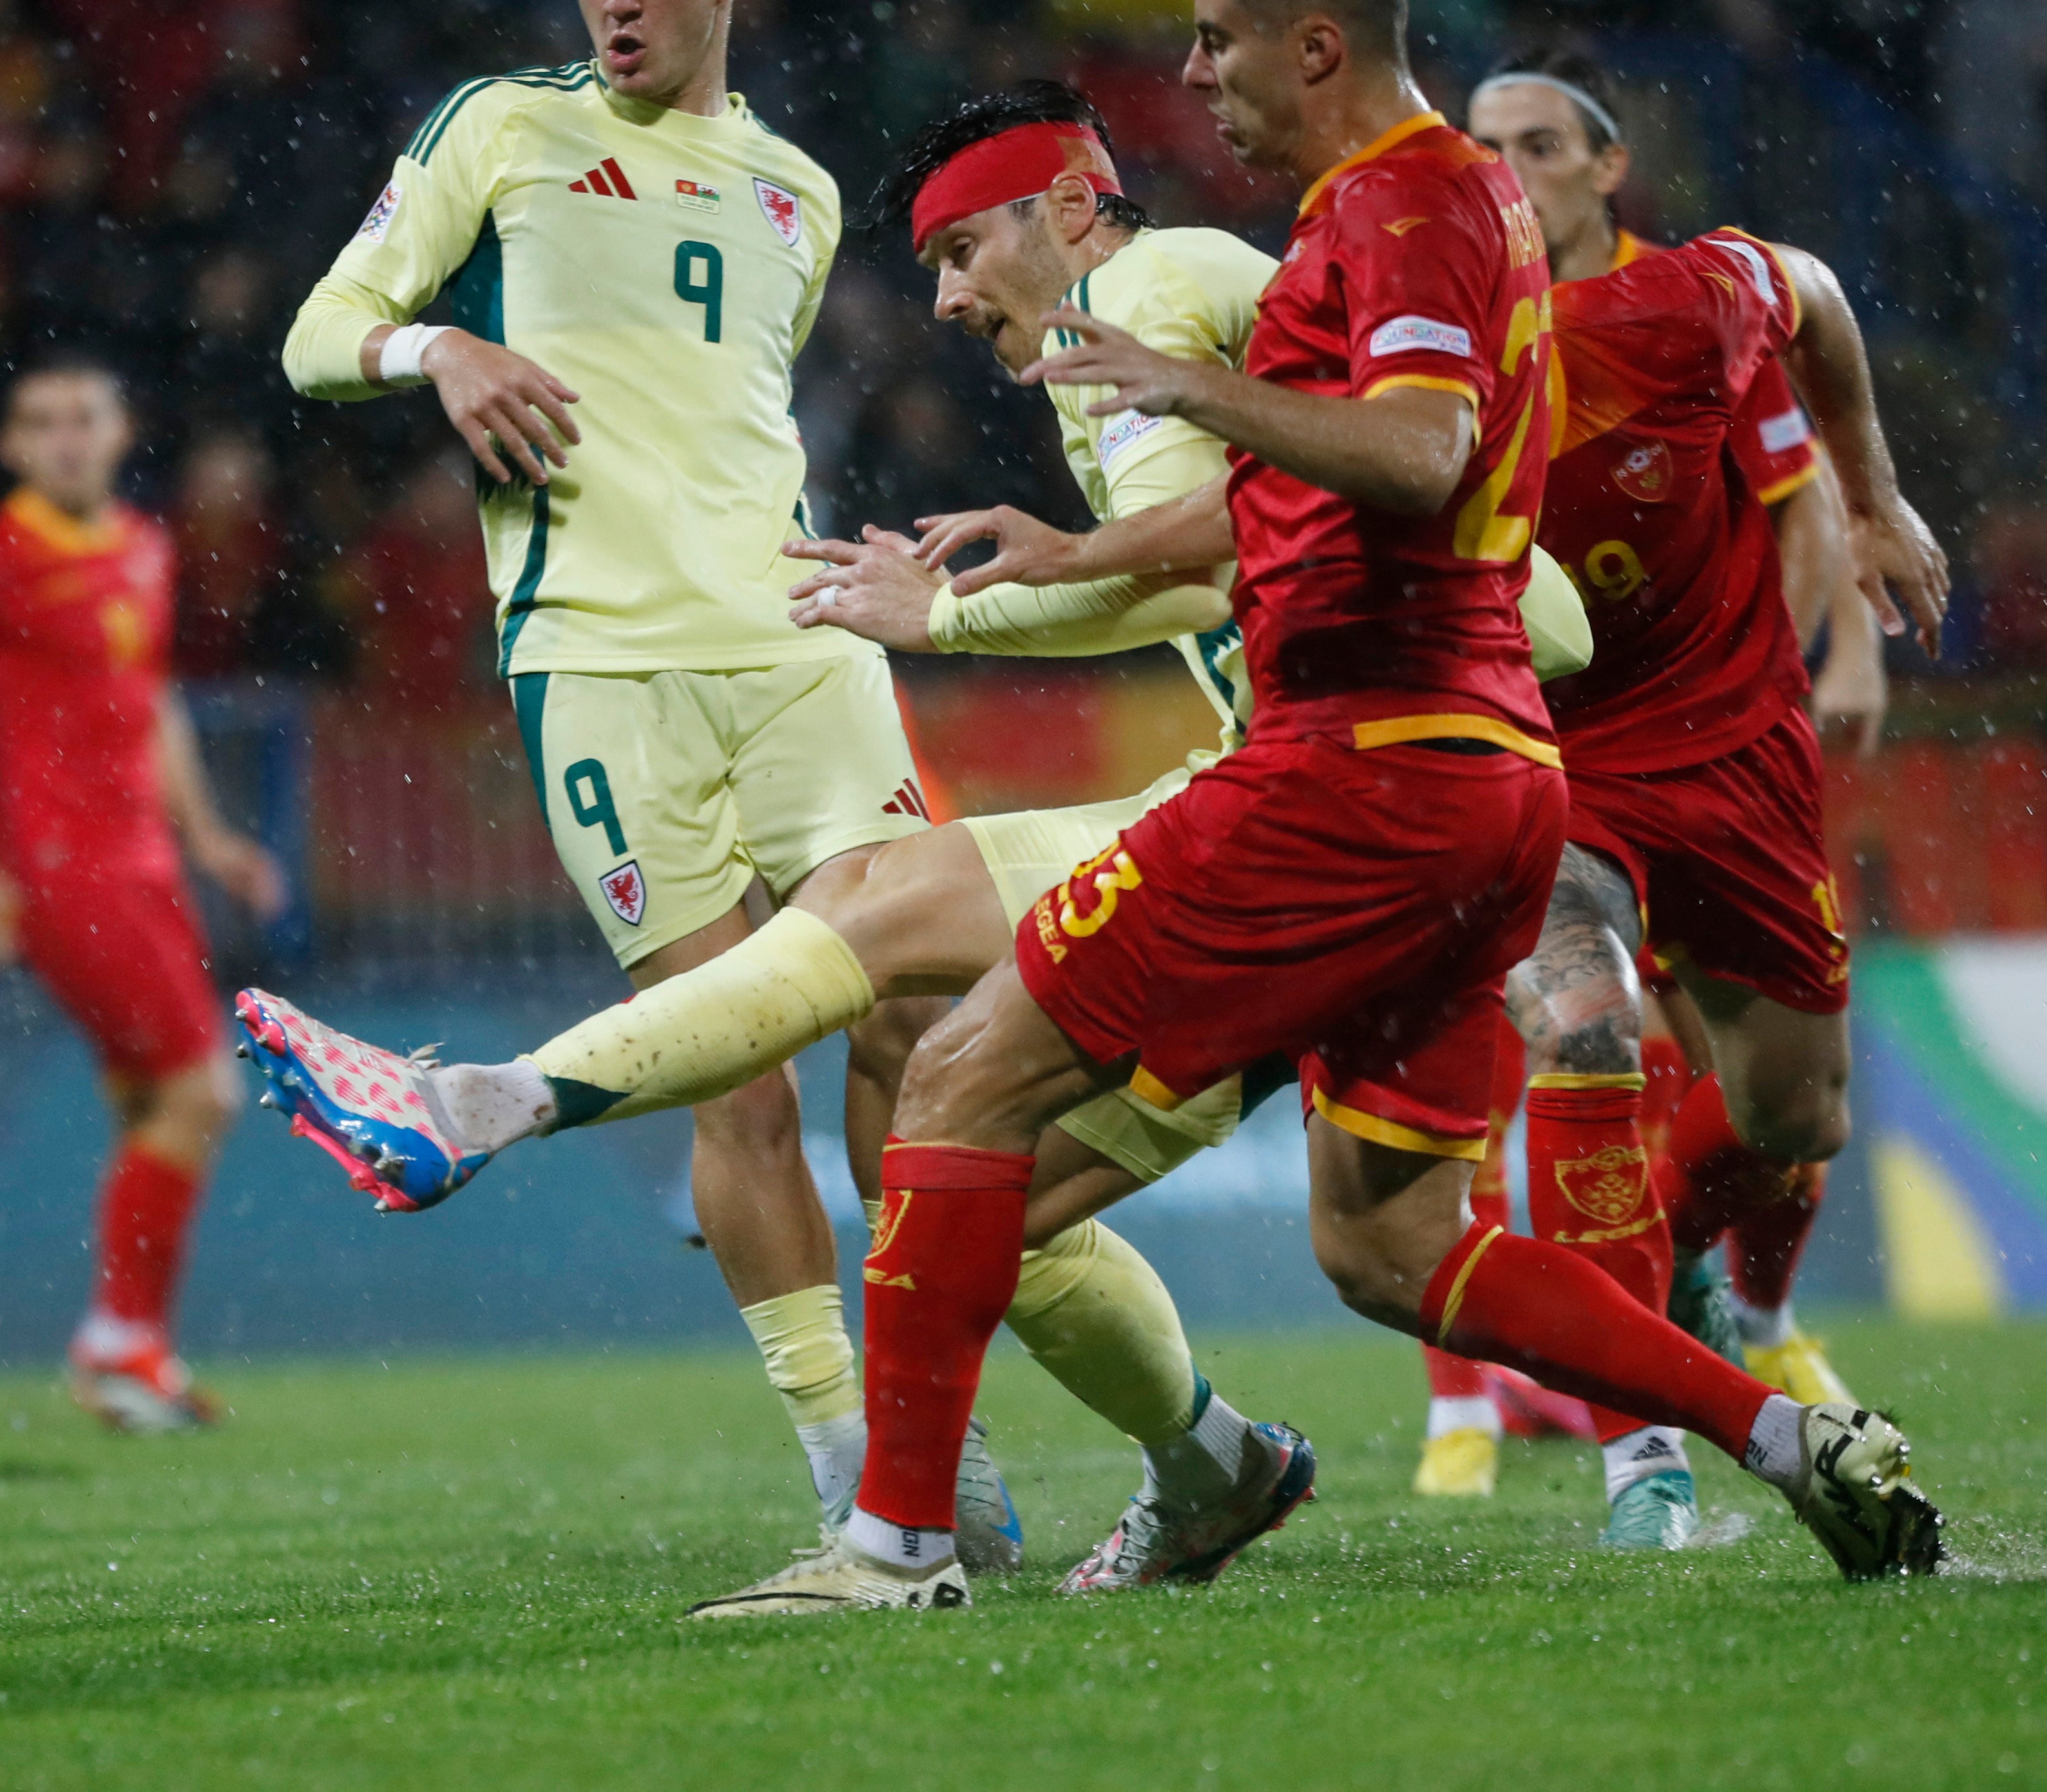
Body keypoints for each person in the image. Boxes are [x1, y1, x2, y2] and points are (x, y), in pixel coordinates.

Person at [693, 0, 1941, 1614]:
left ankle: (893, 1549)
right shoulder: (1437, 211)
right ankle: (1785, 1439)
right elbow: (1316, 495)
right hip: (1490, 775)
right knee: (1392, 1245)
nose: (1194, 71)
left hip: (1359, 756)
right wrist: (1062, 560)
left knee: (955, 1077)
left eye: (1219, 36)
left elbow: (1420, 452)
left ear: (1317, 42)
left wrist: (1185, 391)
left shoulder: (1399, 201)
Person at [272, 0, 1024, 1561]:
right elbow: (313, 333)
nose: (614, 8)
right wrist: (439, 348)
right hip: (602, 668)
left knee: (914, 1013)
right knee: (731, 1077)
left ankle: (922, 1419)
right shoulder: (498, 125)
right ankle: (846, 1463)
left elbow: (728, 426)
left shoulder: (798, 192)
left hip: (799, 641)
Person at [1397, 52, 1907, 1507]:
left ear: (1604, 165)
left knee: (1794, 1120)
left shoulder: (1673, 308)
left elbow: (1809, 305)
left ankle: (1660, 1280)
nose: (1512, 169)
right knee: (1580, 1031)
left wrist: (1872, 532)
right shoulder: (1426, 358)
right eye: (1481, 151)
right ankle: (1643, 1452)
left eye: (1539, 143)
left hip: (1734, 752)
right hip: (1544, 762)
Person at [0, 357, 287, 1433]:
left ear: (118, 433)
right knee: (202, 1092)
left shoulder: (146, 548)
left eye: (83, 419)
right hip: (66, 872)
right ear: (10, 447)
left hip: (148, 863)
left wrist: (204, 835)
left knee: (149, 1107)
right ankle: (119, 1342)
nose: (63, 438)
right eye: (39, 423)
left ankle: (125, 1353)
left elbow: (149, 701)